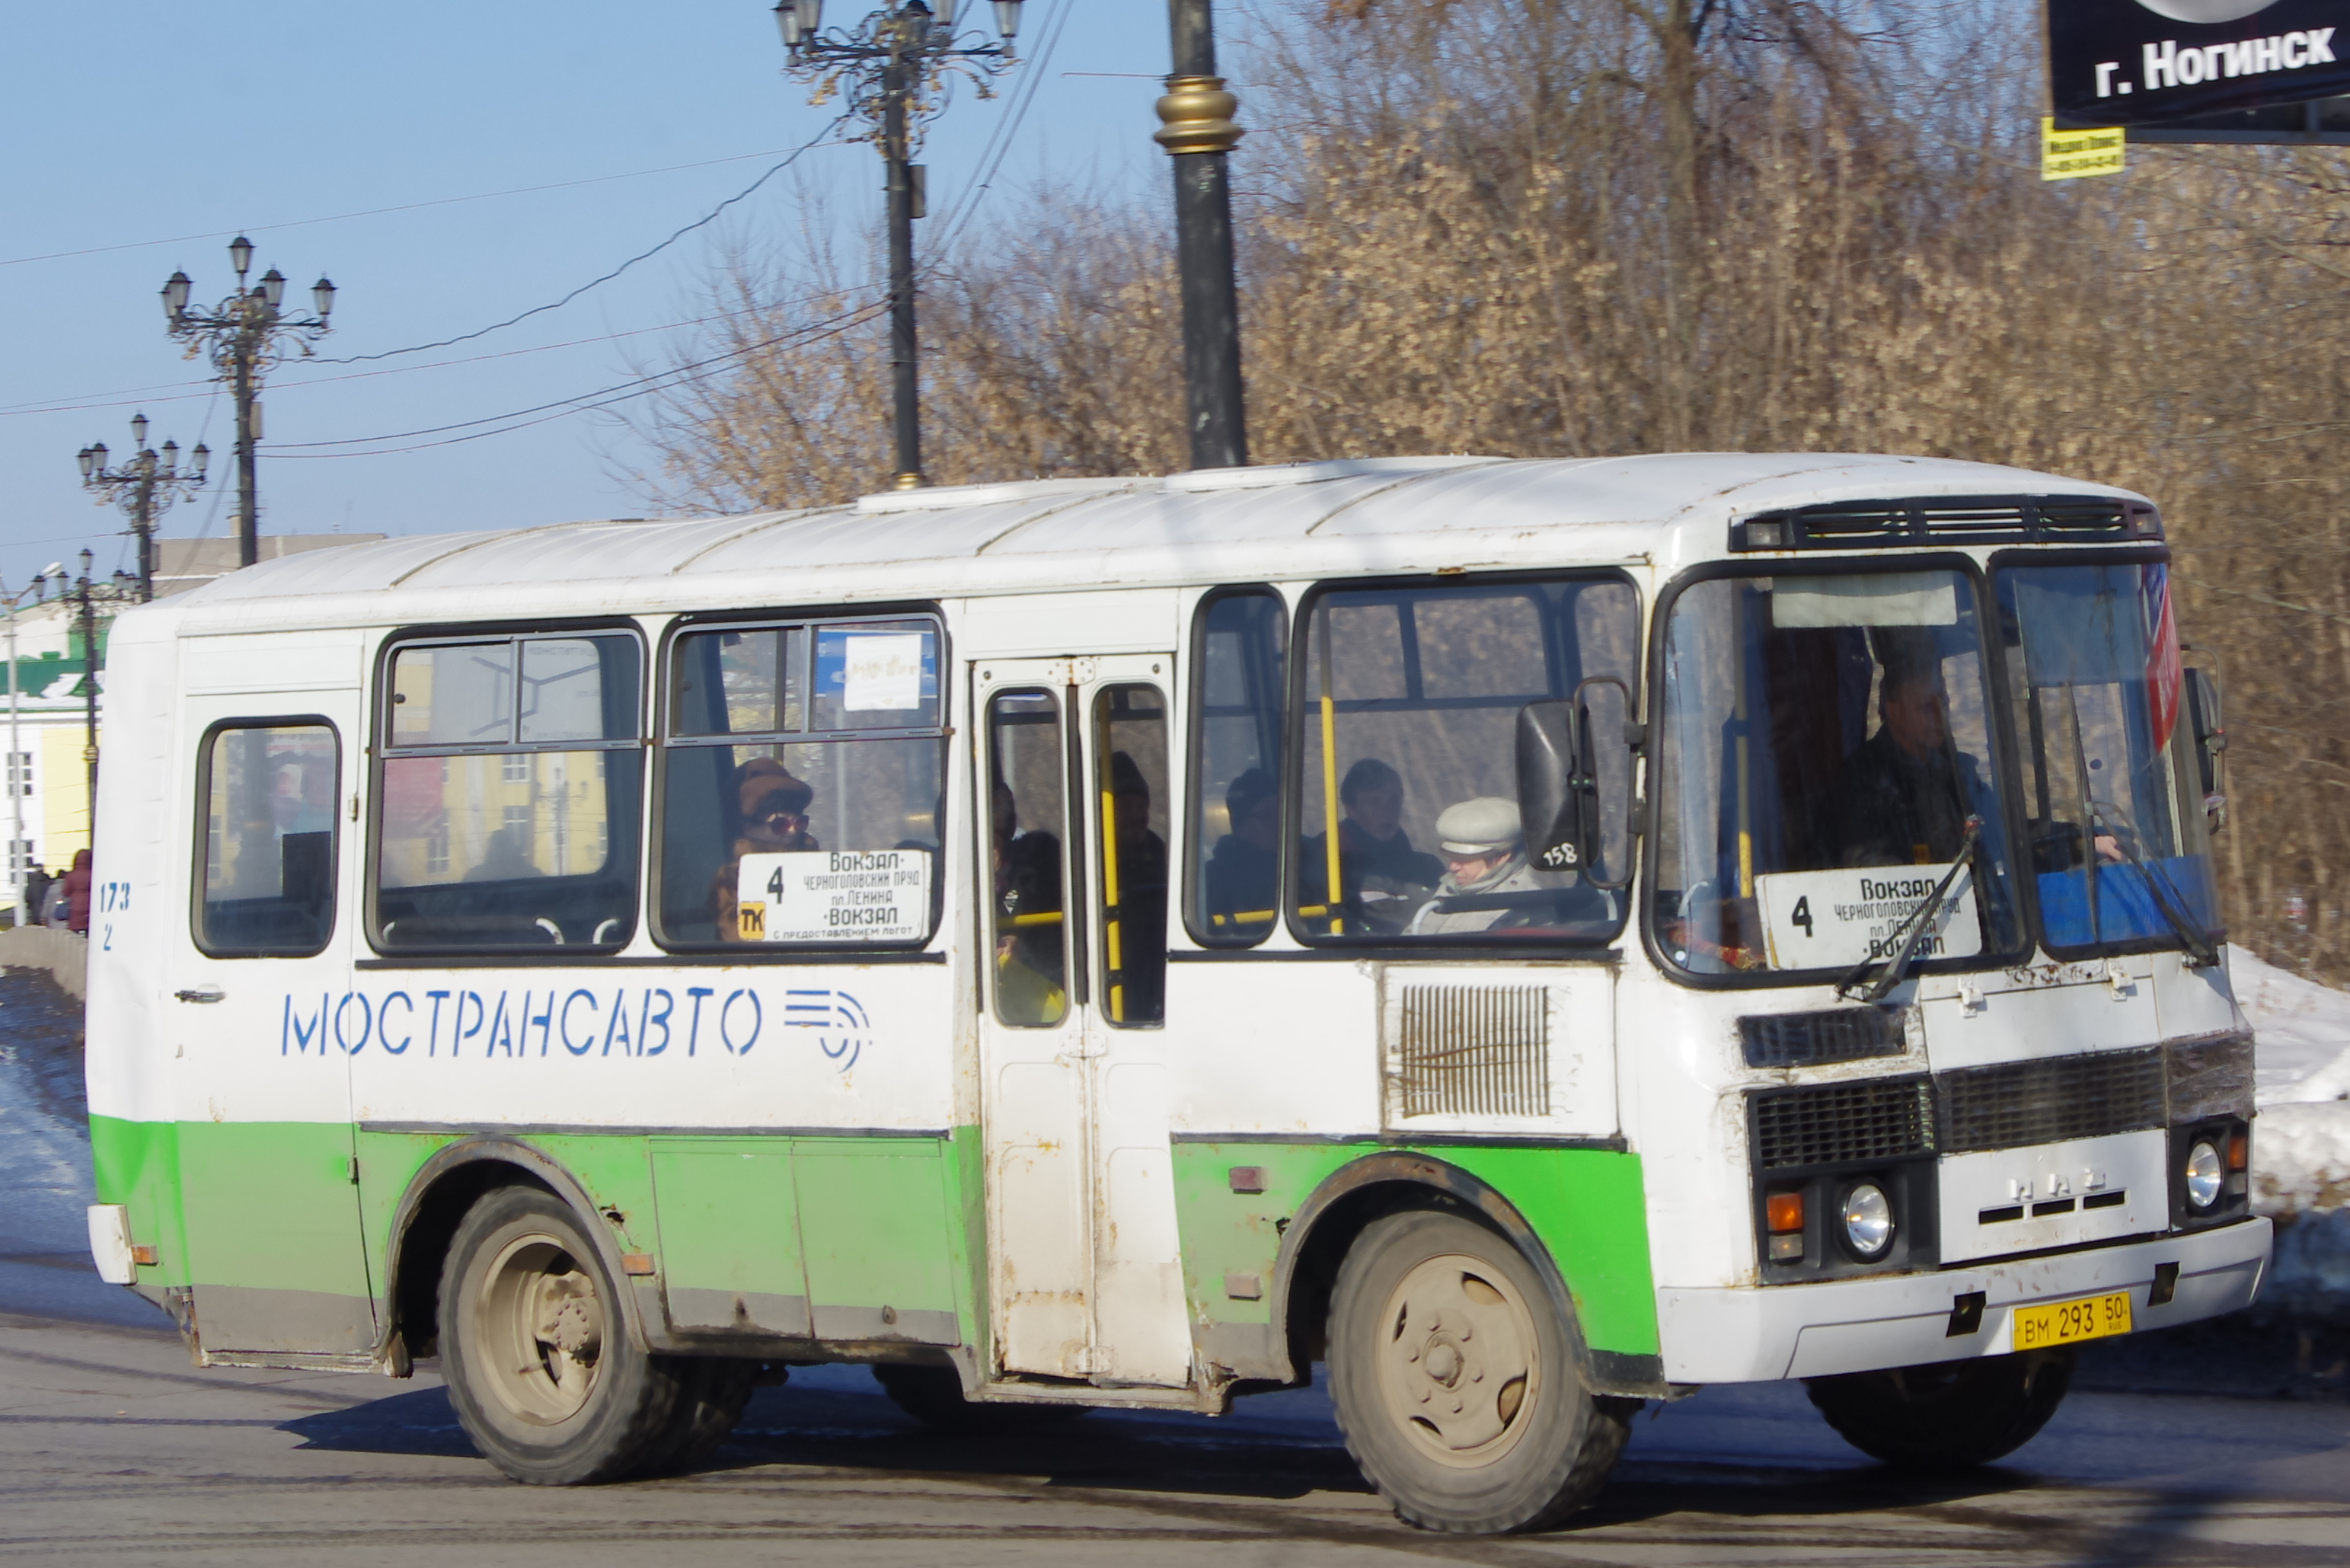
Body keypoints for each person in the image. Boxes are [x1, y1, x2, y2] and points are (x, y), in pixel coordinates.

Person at [1825, 657, 1990, 868]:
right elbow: (1866, 865)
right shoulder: (1861, 780)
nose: (1941, 715)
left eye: (1943, 703)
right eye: (1927, 708)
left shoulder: (1960, 772)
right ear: (1895, 712)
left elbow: (1995, 835)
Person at [1302, 758, 1445, 915]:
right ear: (1351, 810)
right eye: (1374, 802)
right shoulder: (1324, 868)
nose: (1388, 810)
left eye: (1394, 800)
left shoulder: (1428, 868)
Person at [716, 758, 818, 942]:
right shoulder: (732, 881)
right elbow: (740, 940)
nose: (793, 831)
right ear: (748, 828)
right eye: (780, 824)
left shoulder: (817, 872)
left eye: (800, 823)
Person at [1409, 798, 1546, 936]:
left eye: (1464, 859)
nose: (1453, 867)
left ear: (1502, 856)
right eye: (1452, 857)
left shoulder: (1523, 905)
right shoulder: (1450, 887)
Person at [1106, 752, 1169, 1022]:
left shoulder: (1159, 852)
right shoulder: (1084, 859)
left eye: (1142, 807)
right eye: (1126, 807)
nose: (1137, 816)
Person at [1202, 767, 1279, 928]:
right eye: (1267, 816)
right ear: (1241, 826)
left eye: (1282, 813)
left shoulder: (1306, 860)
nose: (1278, 823)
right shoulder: (1213, 880)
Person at [62, 848, 92, 935]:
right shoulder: (93, 875)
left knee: (75, 932)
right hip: (90, 905)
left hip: (75, 906)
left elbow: (65, 892)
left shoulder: (71, 875)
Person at [21, 861, 49, 927]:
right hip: (47, 913)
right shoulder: (48, 881)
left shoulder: (32, 882)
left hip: (34, 911)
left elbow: (27, 897)